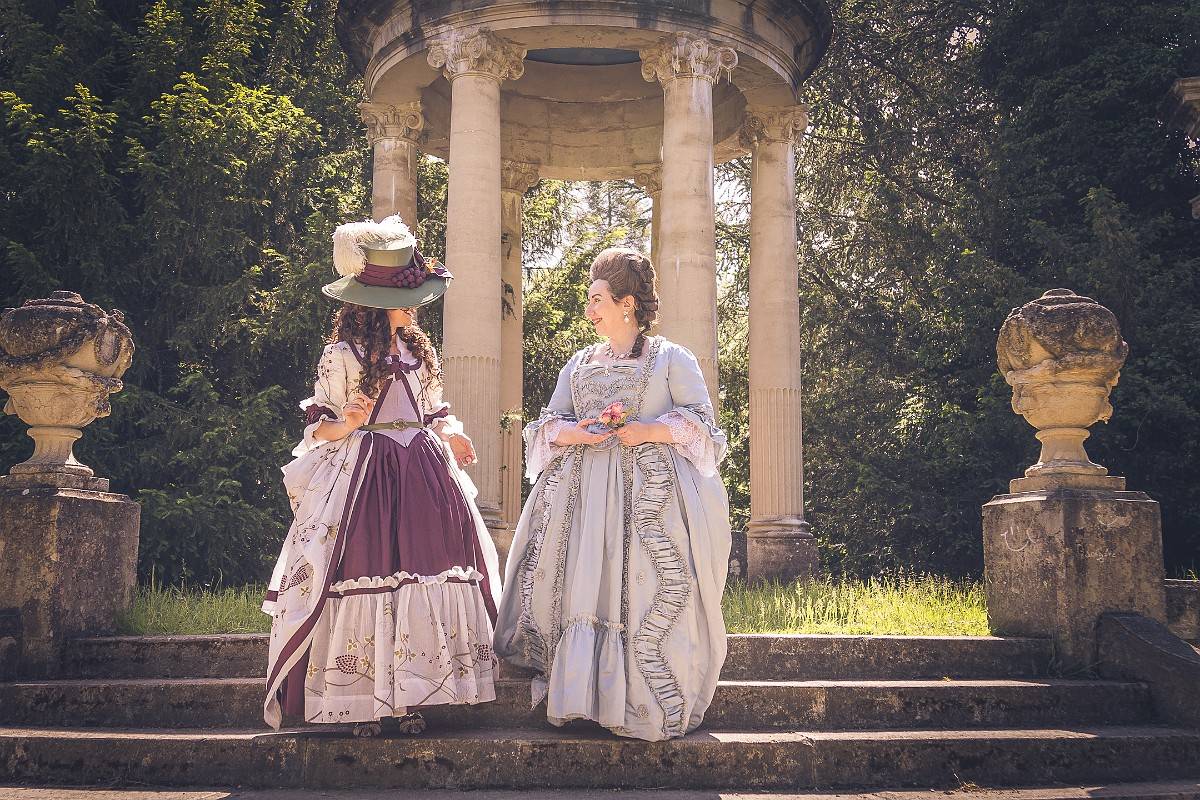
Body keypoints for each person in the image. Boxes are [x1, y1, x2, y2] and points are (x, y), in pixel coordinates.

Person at [262, 215, 501, 737]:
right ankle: (361, 702)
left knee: (427, 566)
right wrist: (347, 423)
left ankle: (412, 695)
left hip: (422, 470)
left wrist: (453, 434)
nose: (414, 305)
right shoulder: (342, 354)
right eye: (405, 296)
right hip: (366, 474)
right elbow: (319, 426)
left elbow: (433, 411)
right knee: (365, 567)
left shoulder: (418, 350)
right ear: (373, 301)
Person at [493, 246, 732, 742]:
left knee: (641, 593)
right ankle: (581, 697)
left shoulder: (672, 359)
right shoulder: (579, 364)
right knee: (584, 588)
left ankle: (637, 700)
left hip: (648, 499)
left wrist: (648, 431)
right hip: (582, 500)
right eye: (589, 299)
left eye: (597, 299)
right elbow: (548, 424)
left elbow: (703, 427)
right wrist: (576, 433)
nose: (589, 309)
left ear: (627, 304)